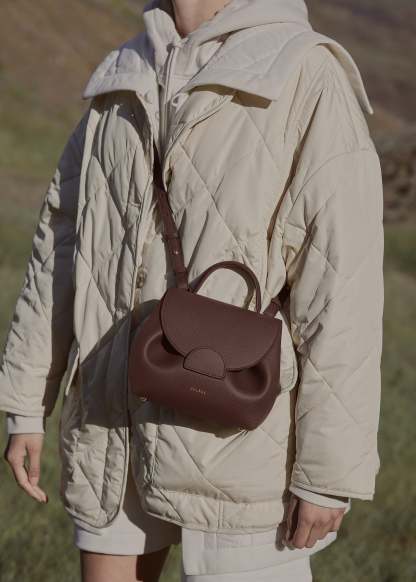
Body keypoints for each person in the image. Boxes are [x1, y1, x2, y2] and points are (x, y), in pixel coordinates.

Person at [1, 0, 384, 580]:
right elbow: (62, 243)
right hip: (113, 419)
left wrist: (329, 473)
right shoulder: (127, 70)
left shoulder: (304, 72)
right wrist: (27, 402)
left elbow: (342, 280)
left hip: (241, 437)